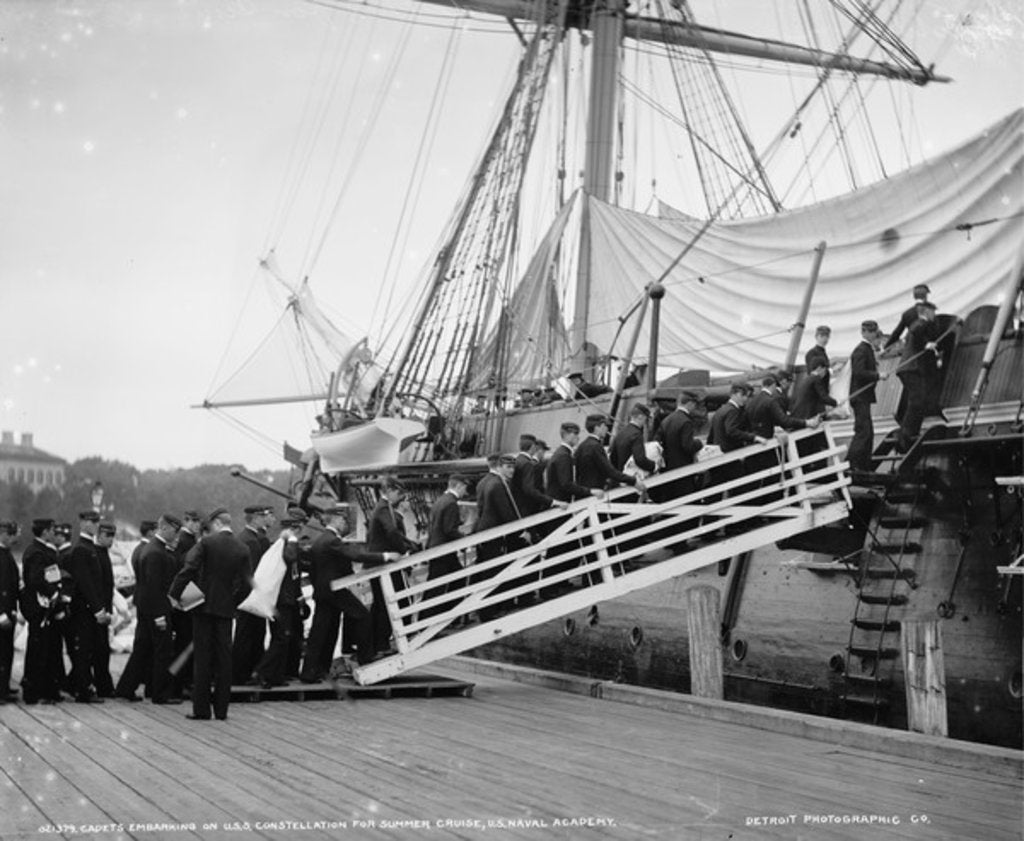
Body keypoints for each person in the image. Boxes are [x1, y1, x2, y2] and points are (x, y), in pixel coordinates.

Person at [169, 507, 252, 722]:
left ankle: (202, 710)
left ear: (215, 523)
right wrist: (232, 603)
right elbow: (247, 585)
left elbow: (188, 569)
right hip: (226, 611)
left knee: (203, 659)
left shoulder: (205, 543)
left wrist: (175, 595)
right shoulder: (242, 548)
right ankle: (222, 710)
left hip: (202, 608)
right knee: (224, 660)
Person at [300, 505, 397, 680]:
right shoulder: (332, 540)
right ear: (335, 520)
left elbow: (317, 570)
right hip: (334, 590)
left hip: (324, 591)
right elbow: (355, 555)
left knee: (324, 631)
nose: (345, 523)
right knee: (362, 616)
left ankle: (315, 670)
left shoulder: (321, 540)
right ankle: (365, 657)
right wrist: (385, 556)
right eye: (343, 520)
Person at [117, 515, 182, 704]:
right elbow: (154, 587)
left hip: (146, 608)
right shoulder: (156, 553)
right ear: (164, 528)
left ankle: (125, 687)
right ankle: (159, 694)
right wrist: (160, 615)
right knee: (162, 650)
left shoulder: (151, 549)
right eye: (175, 530)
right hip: (156, 609)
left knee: (142, 649)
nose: (177, 535)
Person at [365, 479, 419, 652]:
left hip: (376, 563)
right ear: (389, 490)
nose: (400, 497)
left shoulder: (381, 507)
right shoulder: (383, 508)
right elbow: (392, 532)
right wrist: (404, 550)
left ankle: (375, 643)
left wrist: (410, 544)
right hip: (385, 564)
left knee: (380, 604)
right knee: (388, 603)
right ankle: (382, 643)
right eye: (399, 493)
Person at [19, 518, 66, 705]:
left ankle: (46, 689)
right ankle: (33, 691)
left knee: (46, 648)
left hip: (45, 606)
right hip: (39, 607)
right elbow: (35, 579)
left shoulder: (41, 550)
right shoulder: (37, 552)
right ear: (45, 532)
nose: (55, 533)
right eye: (53, 530)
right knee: (38, 649)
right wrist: (54, 592)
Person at [66, 510, 109, 703]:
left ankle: (78, 685)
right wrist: (98, 608)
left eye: (96, 522)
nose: (94, 525)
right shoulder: (81, 549)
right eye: (90, 521)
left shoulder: (88, 547)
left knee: (88, 648)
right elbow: (85, 583)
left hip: (88, 608)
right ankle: (83, 690)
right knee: (83, 650)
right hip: (84, 609)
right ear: (82, 523)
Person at [420, 474, 472, 622]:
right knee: (436, 588)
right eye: (465, 488)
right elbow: (449, 529)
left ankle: (446, 617)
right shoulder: (451, 503)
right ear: (459, 486)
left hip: (437, 549)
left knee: (451, 580)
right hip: (443, 551)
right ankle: (430, 621)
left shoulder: (440, 501)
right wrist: (463, 540)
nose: (465, 492)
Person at [232, 505, 271, 684]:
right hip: (251, 596)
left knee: (244, 635)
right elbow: (254, 572)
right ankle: (247, 674)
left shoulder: (241, 537)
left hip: (243, 596)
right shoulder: (252, 541)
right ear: (255, 518)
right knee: (252, 636)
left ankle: (241, 673)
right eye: (263, 516)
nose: (265, 519)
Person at [896, 301, 940, 452]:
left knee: (917, 400)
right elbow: (915, 332)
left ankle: (908, 432)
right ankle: (906, 435)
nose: (934, 315)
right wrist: (925, 344)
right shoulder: (920, 322)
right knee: (917, 400)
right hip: (911, 367)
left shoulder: (920, 324)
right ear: (926, 311)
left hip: (908, 368)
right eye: (933, 312)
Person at [848, 320, 889, 471]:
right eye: (870, 331)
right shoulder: (861, 350)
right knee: (863, 431)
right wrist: (878, 375)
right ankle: (852, 464)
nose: (872, 334)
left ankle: (863, 465)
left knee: (868, 432)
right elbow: (859, 372)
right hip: (860, 396)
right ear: (864, 332)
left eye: (874, 331)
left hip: (862, 397)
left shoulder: (867, 349)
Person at [656, 390, 706, 499]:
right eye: (694, 405)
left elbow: (658, 443)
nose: (694, 408)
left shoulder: (666, 420)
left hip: (668, 469)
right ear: (689, 404)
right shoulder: (686, 421)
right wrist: (699, 443)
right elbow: (688, 446)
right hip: (683, 469)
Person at [91, 522, 117, 698]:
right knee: (99, 649)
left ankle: (103, 684)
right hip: (97, 610)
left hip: (104, 608)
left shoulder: (103, 554)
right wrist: (101, 609)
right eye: (108, 536)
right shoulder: (95, 554)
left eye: (113, 536)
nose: (111, 540)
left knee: (102, 649)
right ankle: (103, 685)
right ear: (99, 535)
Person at [0, 520, 20, 703]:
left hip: (8, 612)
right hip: (2, 615)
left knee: (6, 652)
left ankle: (3, 687)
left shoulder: (6, 554)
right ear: (4, 534)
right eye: (12, 535)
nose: (15, 539)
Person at [610, 404, 658, 475]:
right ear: (640, 417)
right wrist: (654, 466)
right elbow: (640, 460)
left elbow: (613, 457)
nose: (645, 422)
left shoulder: (620, 433)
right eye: (646, 419)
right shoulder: (636, 434)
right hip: (633, 477)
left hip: (620, 476)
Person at [884, 284, 931, 350]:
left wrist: (886, 346)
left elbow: (897, 332)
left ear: (914, 297)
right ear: (926, 296)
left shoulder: (907, 314)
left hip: (912, 347)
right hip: (928, 347)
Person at [804, 325, 832, 391]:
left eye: (827, 336)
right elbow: (812, 374)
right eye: (822, 336)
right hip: (816, 390)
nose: (825, 339)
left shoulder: (823, 353)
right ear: (816, 336)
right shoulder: (811, 353)